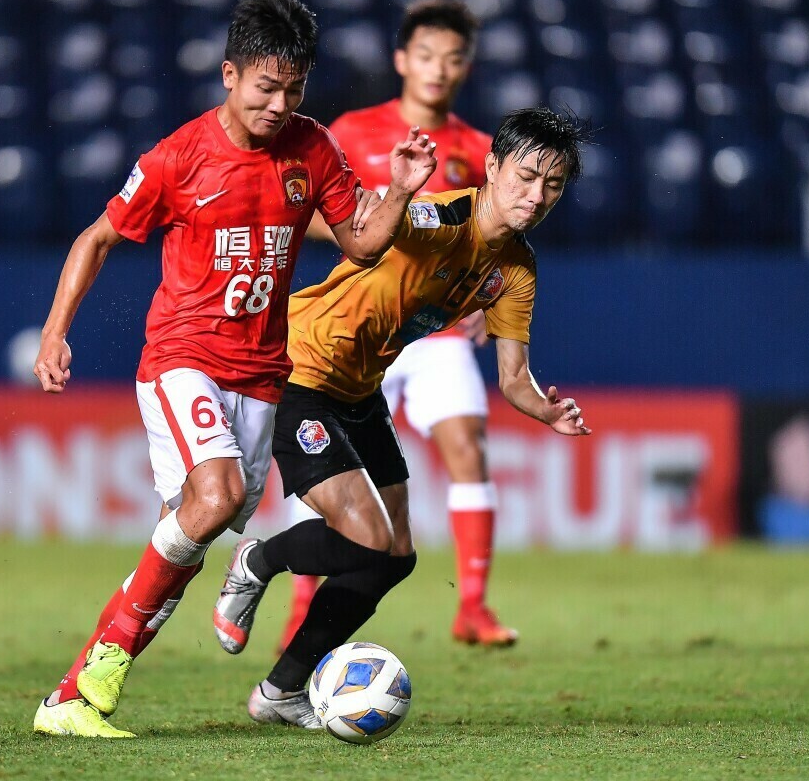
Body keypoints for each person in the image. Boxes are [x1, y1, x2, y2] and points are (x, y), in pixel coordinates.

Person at [30, 0, 437, 739]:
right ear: (229, 74)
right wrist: (55, 333)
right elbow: (95, 238)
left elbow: (360, 242)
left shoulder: (312, 147)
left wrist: (402, 190)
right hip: (182, 360)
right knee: (212, 500)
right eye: (265, 86)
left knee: (184, 537)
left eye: (294, 88)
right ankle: (90, 684)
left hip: (259, 377)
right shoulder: (178, 157)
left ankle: (74, 695)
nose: (279, 104)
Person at [212, 107, 594, 728]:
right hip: (299, 367)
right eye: (525, 177)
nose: (536, 196)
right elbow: (359, 222)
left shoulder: (515, 269)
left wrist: (547, 410)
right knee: (365, 536)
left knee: (393, 557)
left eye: (552, 186)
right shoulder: (440, 218)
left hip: (360, 390)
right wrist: (399, 190)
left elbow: (513, 379)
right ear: (492, 168)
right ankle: (259, 560)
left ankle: (280, 692)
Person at [284, 0, 516, 652]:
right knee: (332, 470)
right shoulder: (352, 131)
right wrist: (368, 232)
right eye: (426, 55)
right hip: (360, 316)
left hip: (433, 330)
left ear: (466, 67)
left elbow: (493, 241)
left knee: (468, 445)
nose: (439, 69)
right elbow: (311, 207)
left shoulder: (479, 150)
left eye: (453, 58)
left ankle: (472, 606)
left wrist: (485, 301)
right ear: (400, 60)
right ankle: (304, 606)